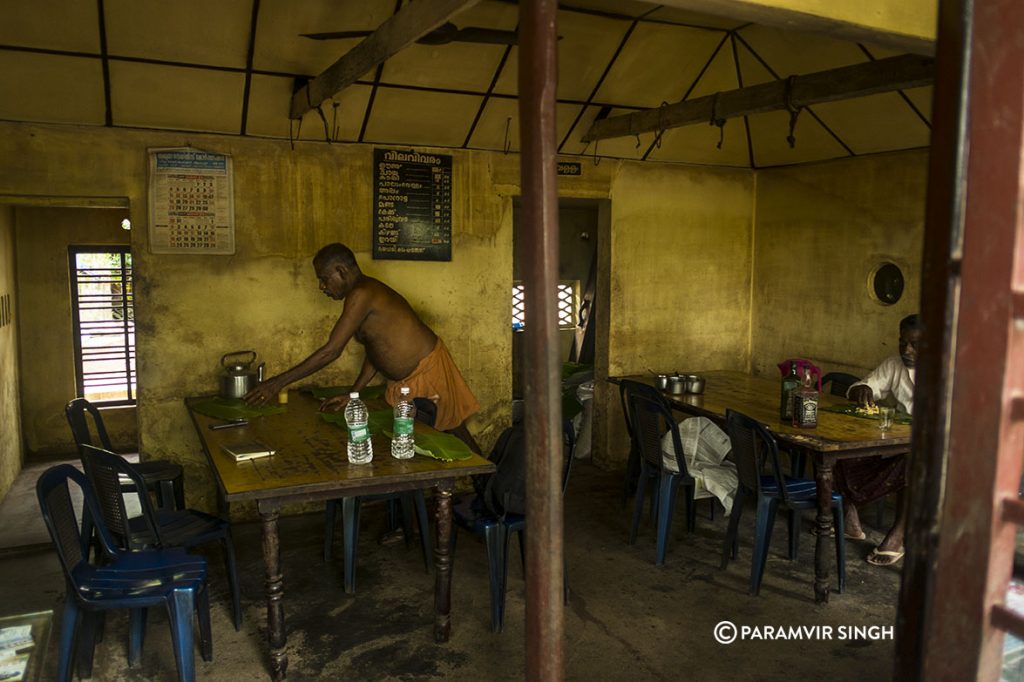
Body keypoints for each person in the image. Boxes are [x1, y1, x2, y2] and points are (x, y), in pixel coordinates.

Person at [244, 243, 480, 450]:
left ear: (341, 271)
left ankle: (490, 489)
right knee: (430, 441)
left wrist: (276, 384)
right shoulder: (360, 296)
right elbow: (376, 349)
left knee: (456, 436)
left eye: (324, 278)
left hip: (430, 371)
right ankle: (484, 489)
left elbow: (331, 351)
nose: (321, 286)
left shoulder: (362, 293)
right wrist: (353, 394)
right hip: (408, 382)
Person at [834, 313, 922, 567]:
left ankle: (898, 534)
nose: (906, 349)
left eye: (914, 344)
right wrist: (862, 390)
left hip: (939, 449)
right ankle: (851, 520)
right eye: (901, 342)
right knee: (843, 450)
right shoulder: (894, 364)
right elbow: (867, 385)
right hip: (898, 440)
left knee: (913, 462)